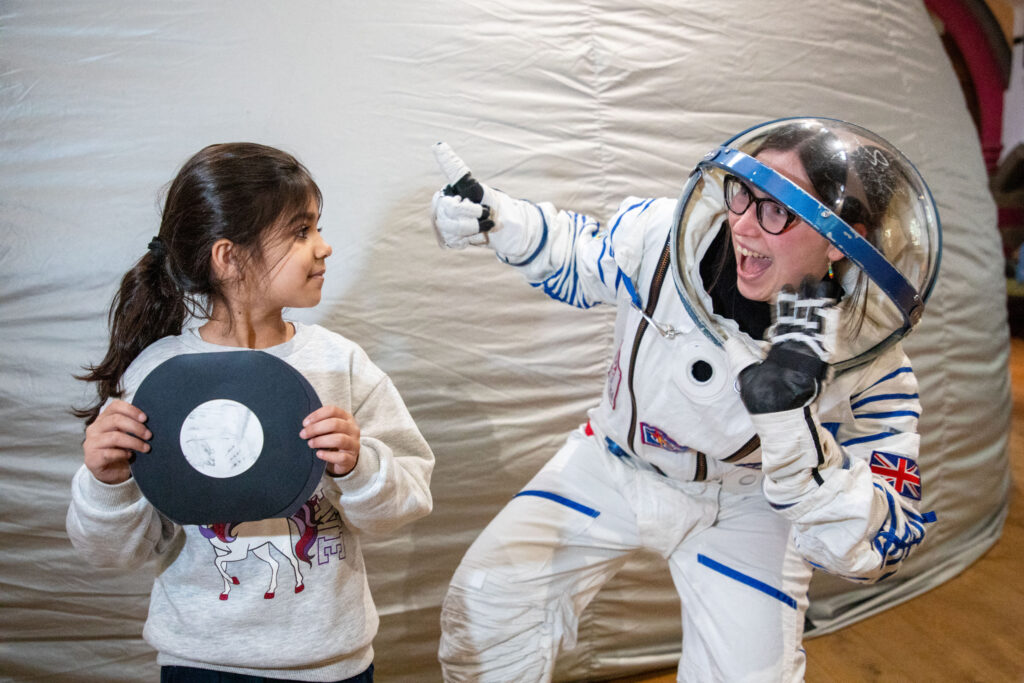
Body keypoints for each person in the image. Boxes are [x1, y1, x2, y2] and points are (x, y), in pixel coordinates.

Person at [430, 117, 940, 682]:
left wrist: (798, 449)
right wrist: (498, 218)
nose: (743, 224)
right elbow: (580, 255)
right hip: (616, 461)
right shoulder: (667, 240)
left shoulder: (871, 362)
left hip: (748, 506)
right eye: (742, 193)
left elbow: (883, 543)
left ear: (846, 241)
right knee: (488, 607)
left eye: (778, 210)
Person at [66, 142, 434, 682]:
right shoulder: (155, 377)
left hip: (335, 662)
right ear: (229, 257)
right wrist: (105, 482)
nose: (325, 246)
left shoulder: (339, 363)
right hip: (202, 663)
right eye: (302, 231)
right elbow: (115, 554)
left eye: (318, 227)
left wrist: (361, 465)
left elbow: (407, 503)